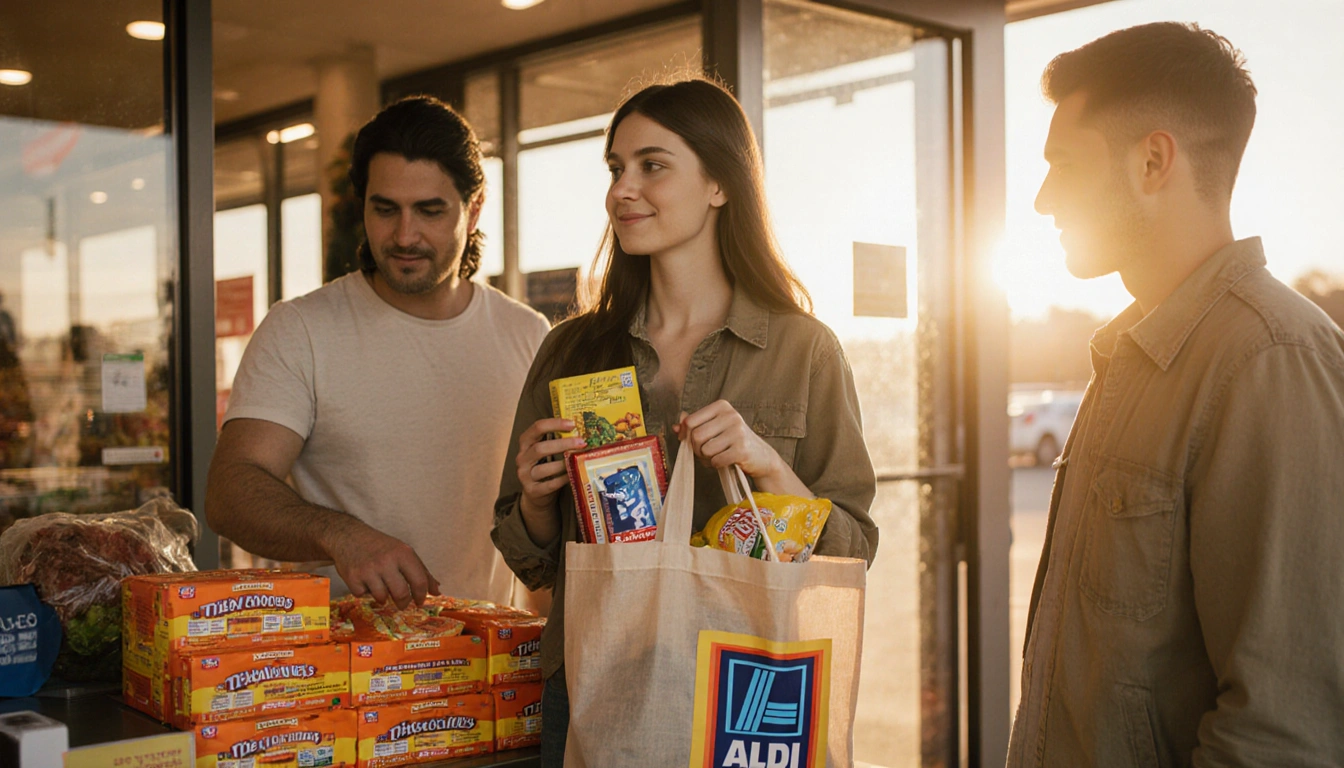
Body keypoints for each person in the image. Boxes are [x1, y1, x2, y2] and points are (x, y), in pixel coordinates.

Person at [490, 77, 880, 765]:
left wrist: (769, 464)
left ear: (720, 185)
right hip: (591, 677)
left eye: (652, 165)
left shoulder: (803, 348)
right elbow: (530, 560)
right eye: (615, 169)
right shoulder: (571, 350)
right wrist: (537, 495)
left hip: (746, 687)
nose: (621, 190)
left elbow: (850, 552)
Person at [1009, 23, 1344, 767]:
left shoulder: (1269, 360)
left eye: (1063, 164)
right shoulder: (1132, 354)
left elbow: (1282, 731)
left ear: (1153, 160)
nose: (1041, 200)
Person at [206, 96, 550, 610]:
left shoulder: (527, 334)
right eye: (385, 209)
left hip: (490, 663)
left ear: (474, 209)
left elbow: (545, 522)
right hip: (350, 668)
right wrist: (342, 536)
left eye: (430, 211)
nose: (404, 236)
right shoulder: (302, 329)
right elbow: (230, 492)